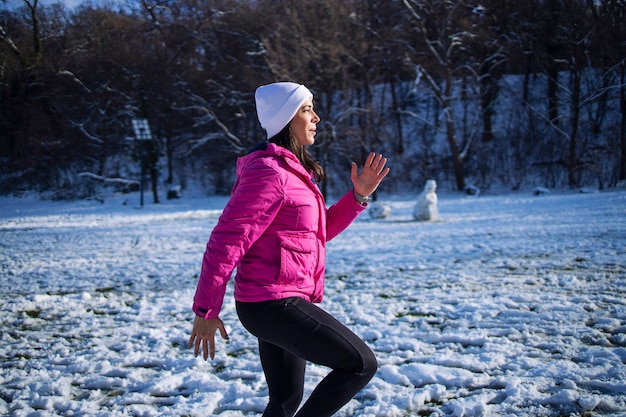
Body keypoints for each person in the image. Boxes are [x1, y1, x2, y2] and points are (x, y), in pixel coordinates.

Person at [188, 82, 390, 417]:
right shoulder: (268, 172)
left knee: (285, 399)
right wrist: (205, 311)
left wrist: (358, 197)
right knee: (359, 364)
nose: (317, 117)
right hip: (271, 304)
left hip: (276, 301)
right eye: (307, 109)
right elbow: (225, 243)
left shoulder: (291, 171)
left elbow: (317, 232)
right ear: (286, 118)